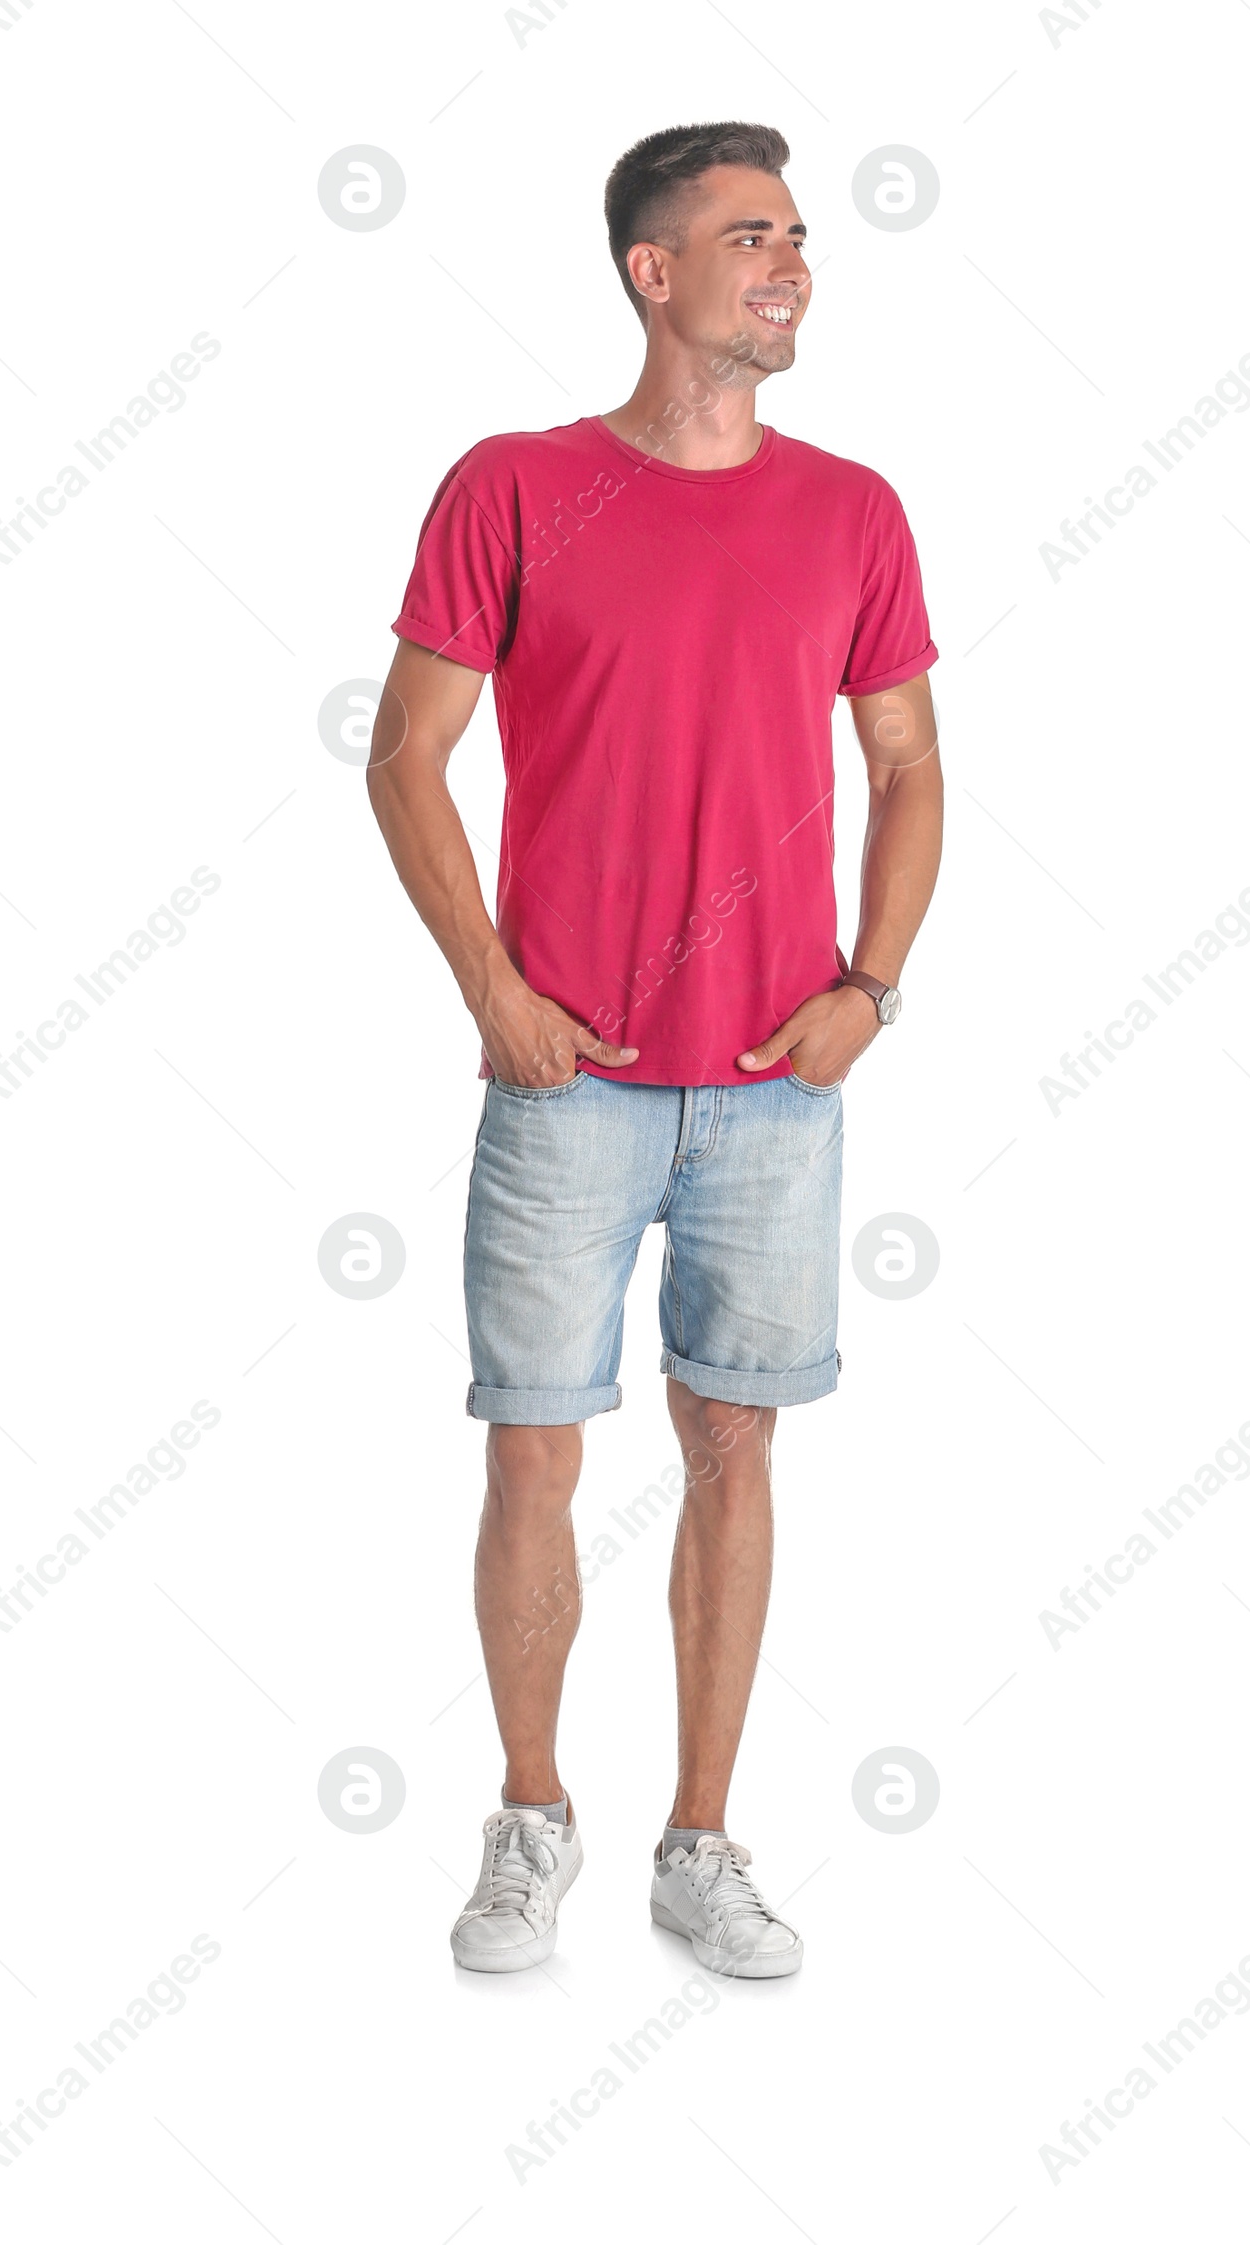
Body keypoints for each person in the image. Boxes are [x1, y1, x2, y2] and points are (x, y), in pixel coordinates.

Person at [367, 121, 943, 1977]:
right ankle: (531, 1817)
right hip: (566, 1081)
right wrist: (494, 992)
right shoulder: (515, 487)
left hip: (777, 1086)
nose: (790, 265)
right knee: (532, 1455)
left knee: (737, 1446)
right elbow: (405, 756)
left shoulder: (852, 508)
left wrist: (871, 986)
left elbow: (912, 764)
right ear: (654, 271)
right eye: (751, 235)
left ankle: (702, 1839)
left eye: (798, 238)